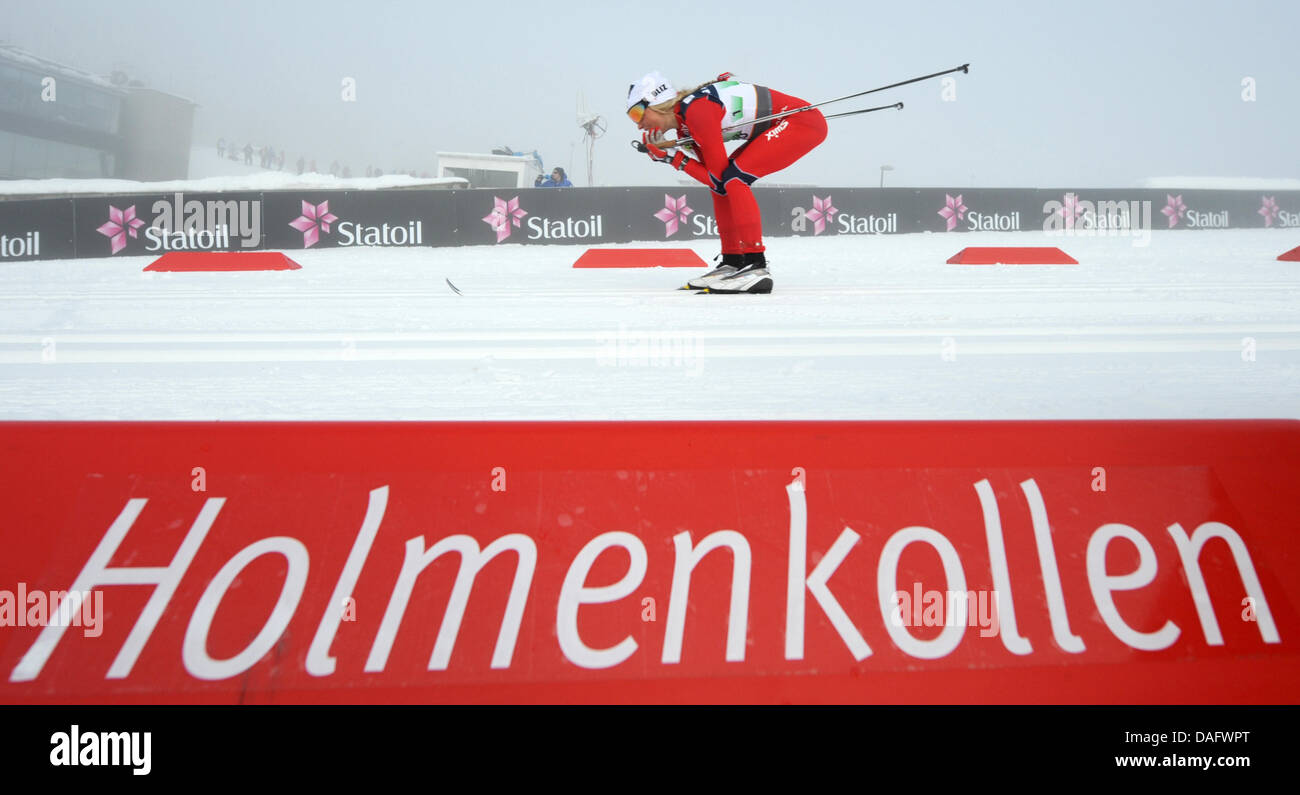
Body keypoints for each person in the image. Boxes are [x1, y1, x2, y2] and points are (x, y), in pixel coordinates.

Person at [627, 71, 827, 293]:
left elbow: (719, 178)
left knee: (734, 179)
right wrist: (673, 158)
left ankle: (755, 264)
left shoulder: (697, 110)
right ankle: (734, 261)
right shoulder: (685, 124)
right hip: (785, 123)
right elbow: (716, 183)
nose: (638, 124)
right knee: (726, 185)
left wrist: (674, 158)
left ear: (657, 103)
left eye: (637, 113)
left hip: (802, 122)